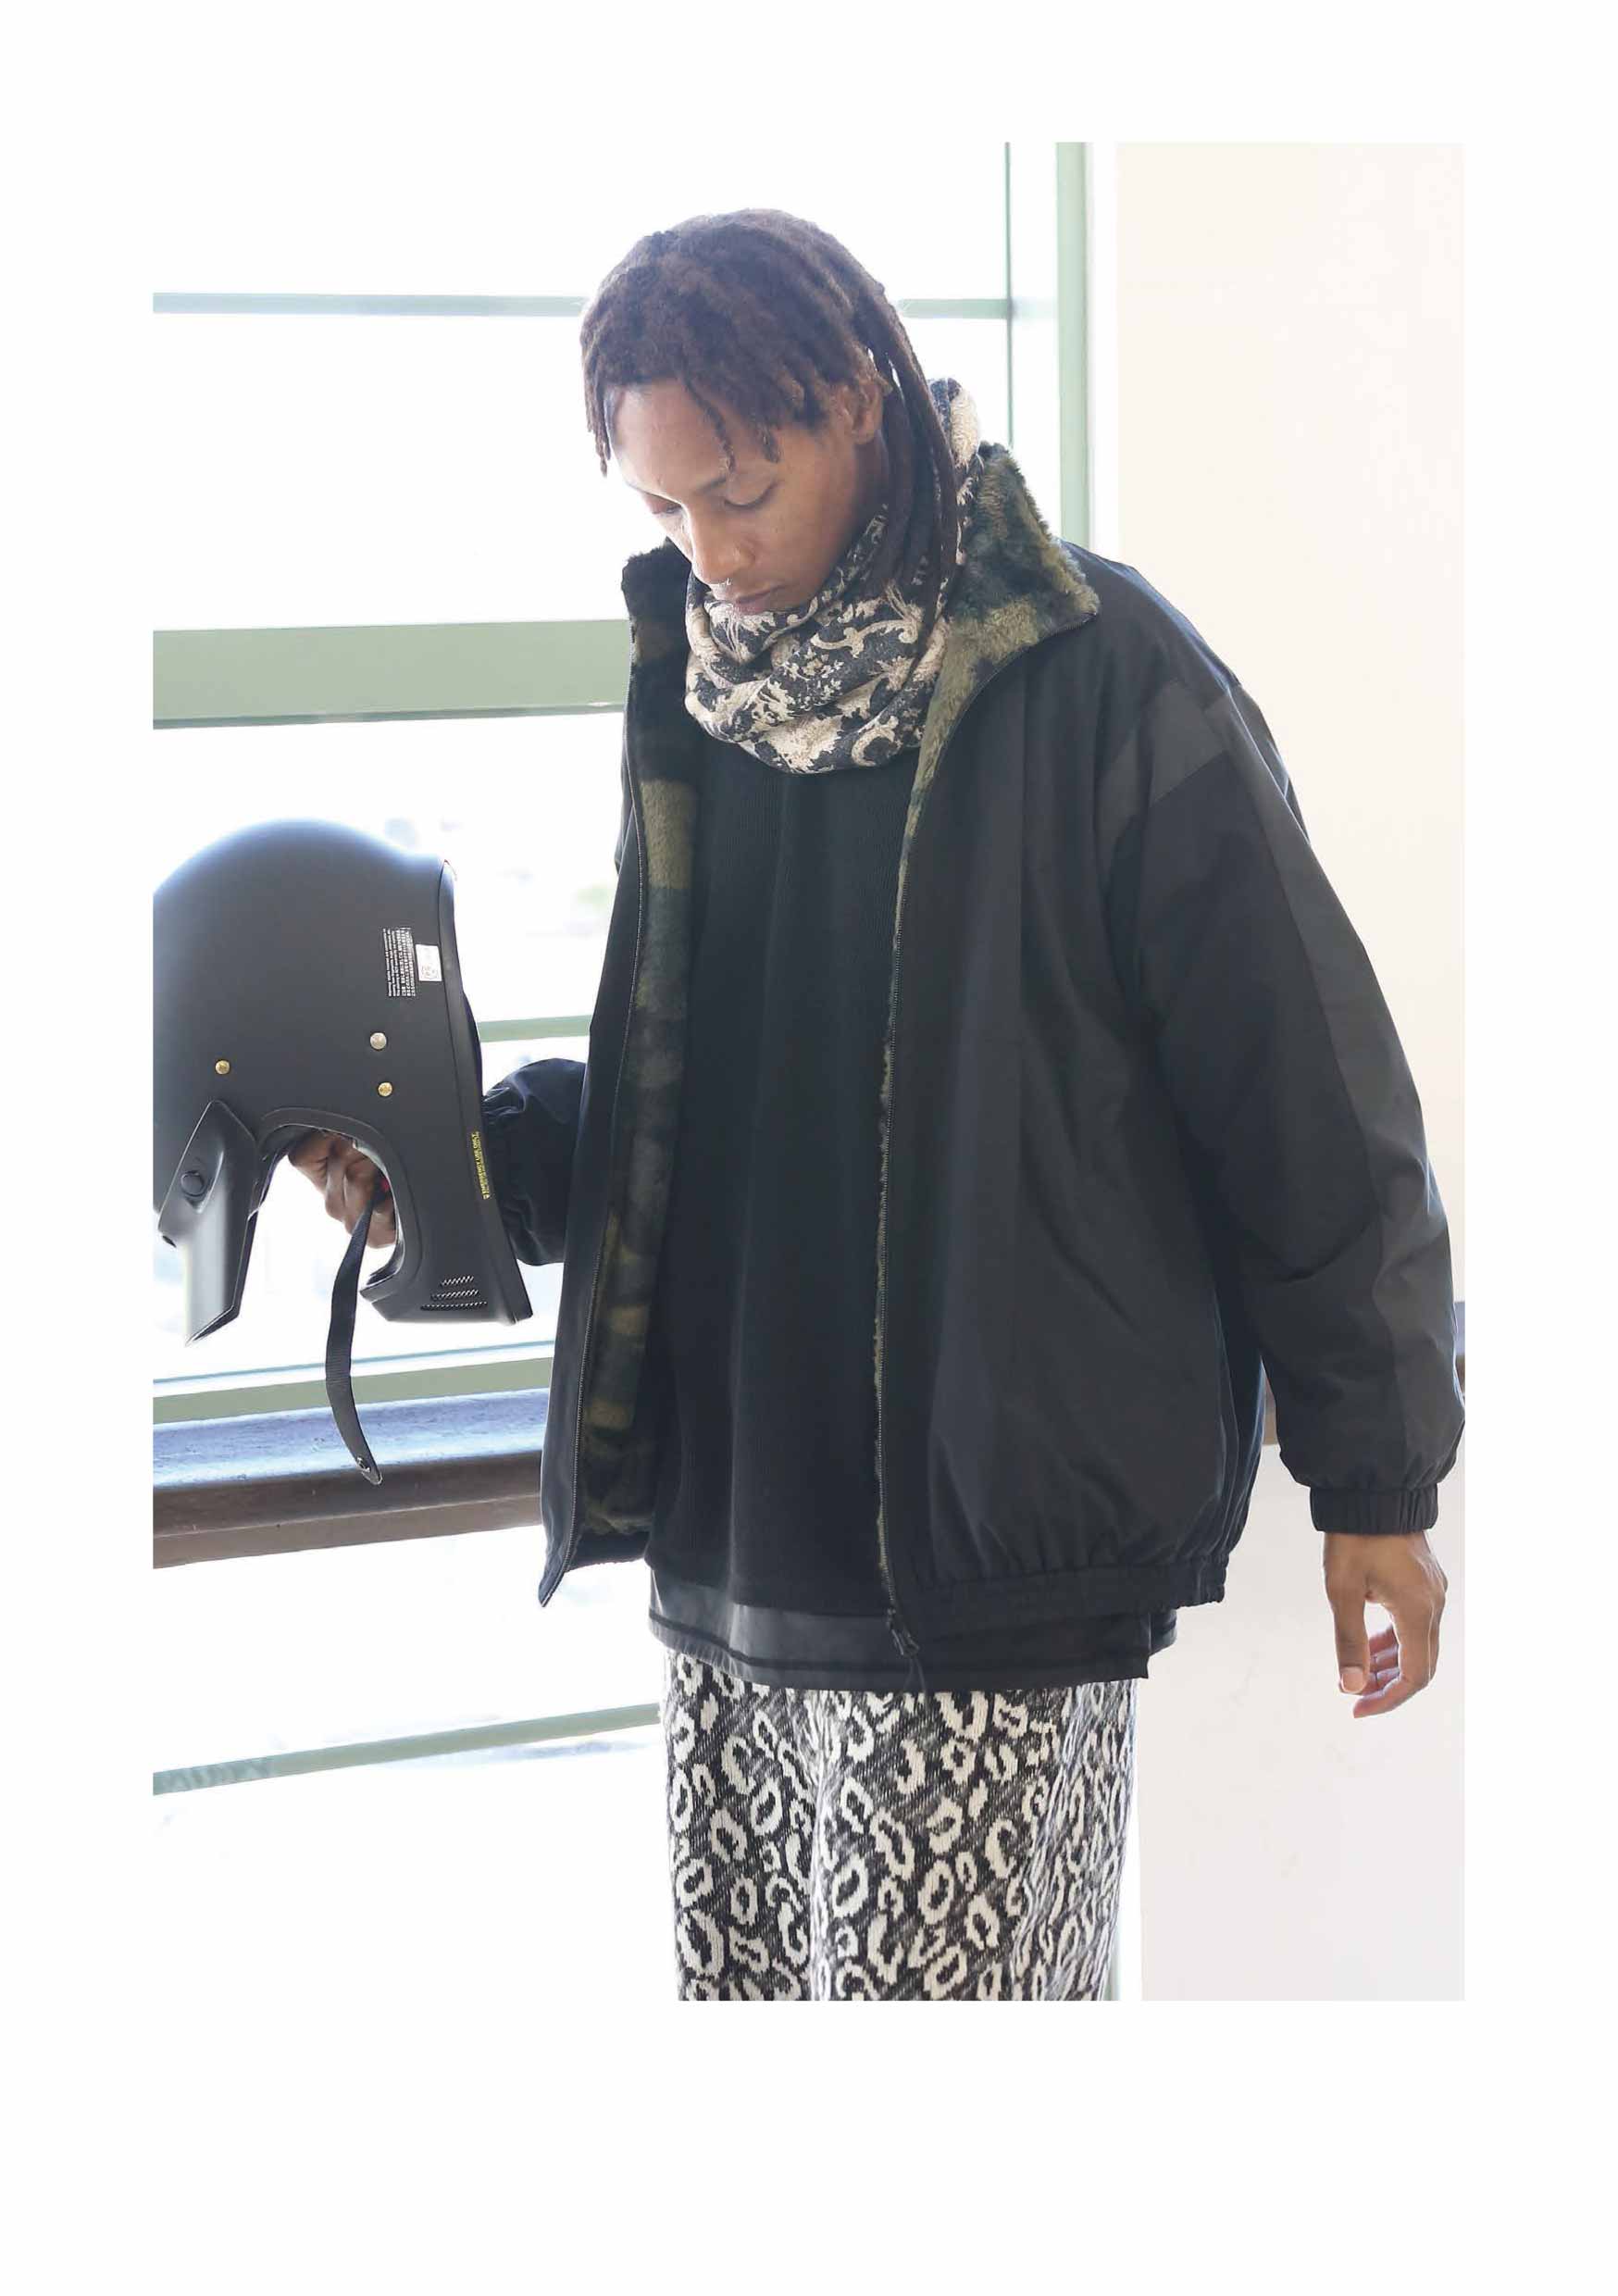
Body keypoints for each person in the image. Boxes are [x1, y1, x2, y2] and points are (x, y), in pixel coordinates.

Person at [292, 208, 1463, 2001]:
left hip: (982, 1577)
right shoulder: (706, 698)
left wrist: (1375, 1479)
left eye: (740, 491)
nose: (710, 552)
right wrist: (461, 1170)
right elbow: (701, 1084)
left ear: (856, 395)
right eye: (663, 509)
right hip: (729, 1553)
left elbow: (1303, 1089)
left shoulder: (1096, 673)